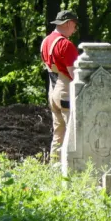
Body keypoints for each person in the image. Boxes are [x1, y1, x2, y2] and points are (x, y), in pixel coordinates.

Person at [41, 9, 81, 159]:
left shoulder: (46, 41)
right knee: (73, 131)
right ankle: (74, 165)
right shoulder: (66, 45)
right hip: (66, 92)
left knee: (58, 132)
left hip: (52, 92)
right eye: (74, 26)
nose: (74, 30)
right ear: (68, 23)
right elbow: (75, 75)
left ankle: (55, 164)